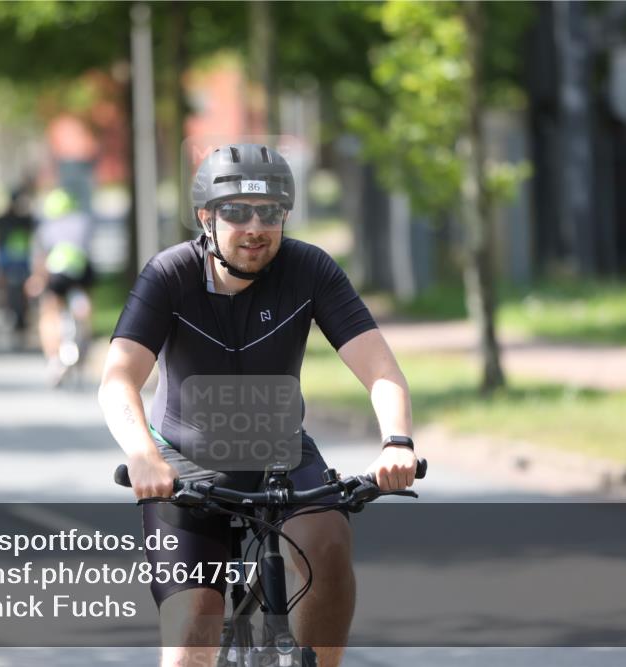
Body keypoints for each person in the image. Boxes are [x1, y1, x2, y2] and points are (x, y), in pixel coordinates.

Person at [98, 144, 418, 667]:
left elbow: (381, 370)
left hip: (280, 456)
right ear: (206, 217)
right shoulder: (169, 274)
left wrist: (396, 441)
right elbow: (117, 380)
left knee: (330, 544)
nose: (255, 227)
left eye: (270, 213)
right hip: (183, 465)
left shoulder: (308, 269)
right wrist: (142, 454)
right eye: (237, 211)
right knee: (192, 635)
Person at [26, 188, 96, 382]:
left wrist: (36, 280)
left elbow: (40, 258)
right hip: (82, 272)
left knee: (49, 312)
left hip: (56, 274)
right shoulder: (83, 222)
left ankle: (54, 358)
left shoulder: (44, 229)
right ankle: (84, 341)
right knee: (85, 303)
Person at [0, 189, 37, 336]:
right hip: (14, 255)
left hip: (15, 256)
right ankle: (8, 308)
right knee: (7, 283)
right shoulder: (25, 218)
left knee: (10, 283)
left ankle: (11, 310)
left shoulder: (8, 218)